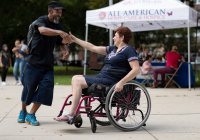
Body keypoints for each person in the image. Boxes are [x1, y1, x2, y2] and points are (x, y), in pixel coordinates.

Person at [54, 26, 140, 122]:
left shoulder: (129, 50)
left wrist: (121, 82)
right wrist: (75, 39)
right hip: (102, 78)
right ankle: (76, 113)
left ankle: (71, 114)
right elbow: (93, 48)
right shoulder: (113, 49)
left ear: (122, 37)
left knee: (77, 80)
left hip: (111, 81)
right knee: (75, 77)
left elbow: (136, 70)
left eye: (115, 36)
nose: (113, 38)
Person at [17, 1, 70, 126]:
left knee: (46, 89)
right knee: (28, 89)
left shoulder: (59, 26)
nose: (59, 14)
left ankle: (31, 114)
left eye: (61, 12)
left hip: (47, 65)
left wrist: (65, 51)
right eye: (57, 12)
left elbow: (62, 42)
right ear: (50, 11)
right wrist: (59, 32)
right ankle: (23, 111)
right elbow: (42, 30)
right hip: (33, 63)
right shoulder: (41, 21)